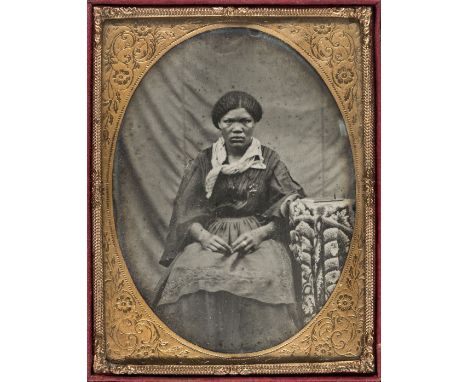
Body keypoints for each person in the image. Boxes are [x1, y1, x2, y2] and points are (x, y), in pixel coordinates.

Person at [152, 91, 305, 353]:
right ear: (218, 125)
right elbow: (186, 206)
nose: (237, 129)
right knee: (189, 272)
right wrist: (202, 237)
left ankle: (260, 352)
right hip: (213, 233)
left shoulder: (268, 159)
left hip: (259, 235)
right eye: (228, 121)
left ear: (254, 123)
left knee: (266, 276)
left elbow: (291, 199)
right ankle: (204, 351)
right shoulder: (205, 159)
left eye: (245, 121)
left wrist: (262, 233)